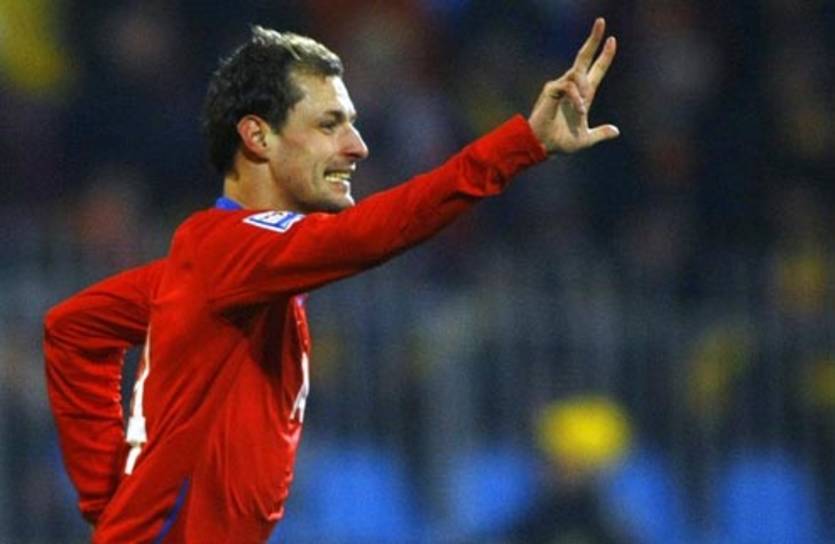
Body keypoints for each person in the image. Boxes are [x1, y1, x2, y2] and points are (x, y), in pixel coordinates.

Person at [44, 18, 619, 543]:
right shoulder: (234, 249)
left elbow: (75, 329)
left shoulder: (217, 269)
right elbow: (370, 235)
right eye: (329, 124)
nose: (356, 147)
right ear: (258, 138)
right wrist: (521, 146)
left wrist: (112, 504)